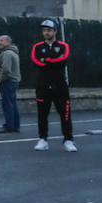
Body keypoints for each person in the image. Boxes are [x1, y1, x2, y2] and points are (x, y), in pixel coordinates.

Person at [31, 19, 76, 152]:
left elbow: (63, 60)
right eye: (44, 30)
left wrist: (47, 60)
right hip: (43, 85)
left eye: (49, 30)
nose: (46, 33)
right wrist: (52, 60)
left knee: (65, 114)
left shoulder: (63, 46)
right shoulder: (37, 47)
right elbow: (36, 61)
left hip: (60, 85)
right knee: (42, 114)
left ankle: (68, 140)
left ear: (55, 31)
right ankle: (43, 139)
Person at [0, 34, 22, 133]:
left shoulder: (7, 54)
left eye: (1, 41)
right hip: (13, 81)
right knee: (12, 103)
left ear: (8, 42)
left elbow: (6, 69)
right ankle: (15, 125)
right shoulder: (13, 52)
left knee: (7, 104)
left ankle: (9, 125)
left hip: (7, 82)